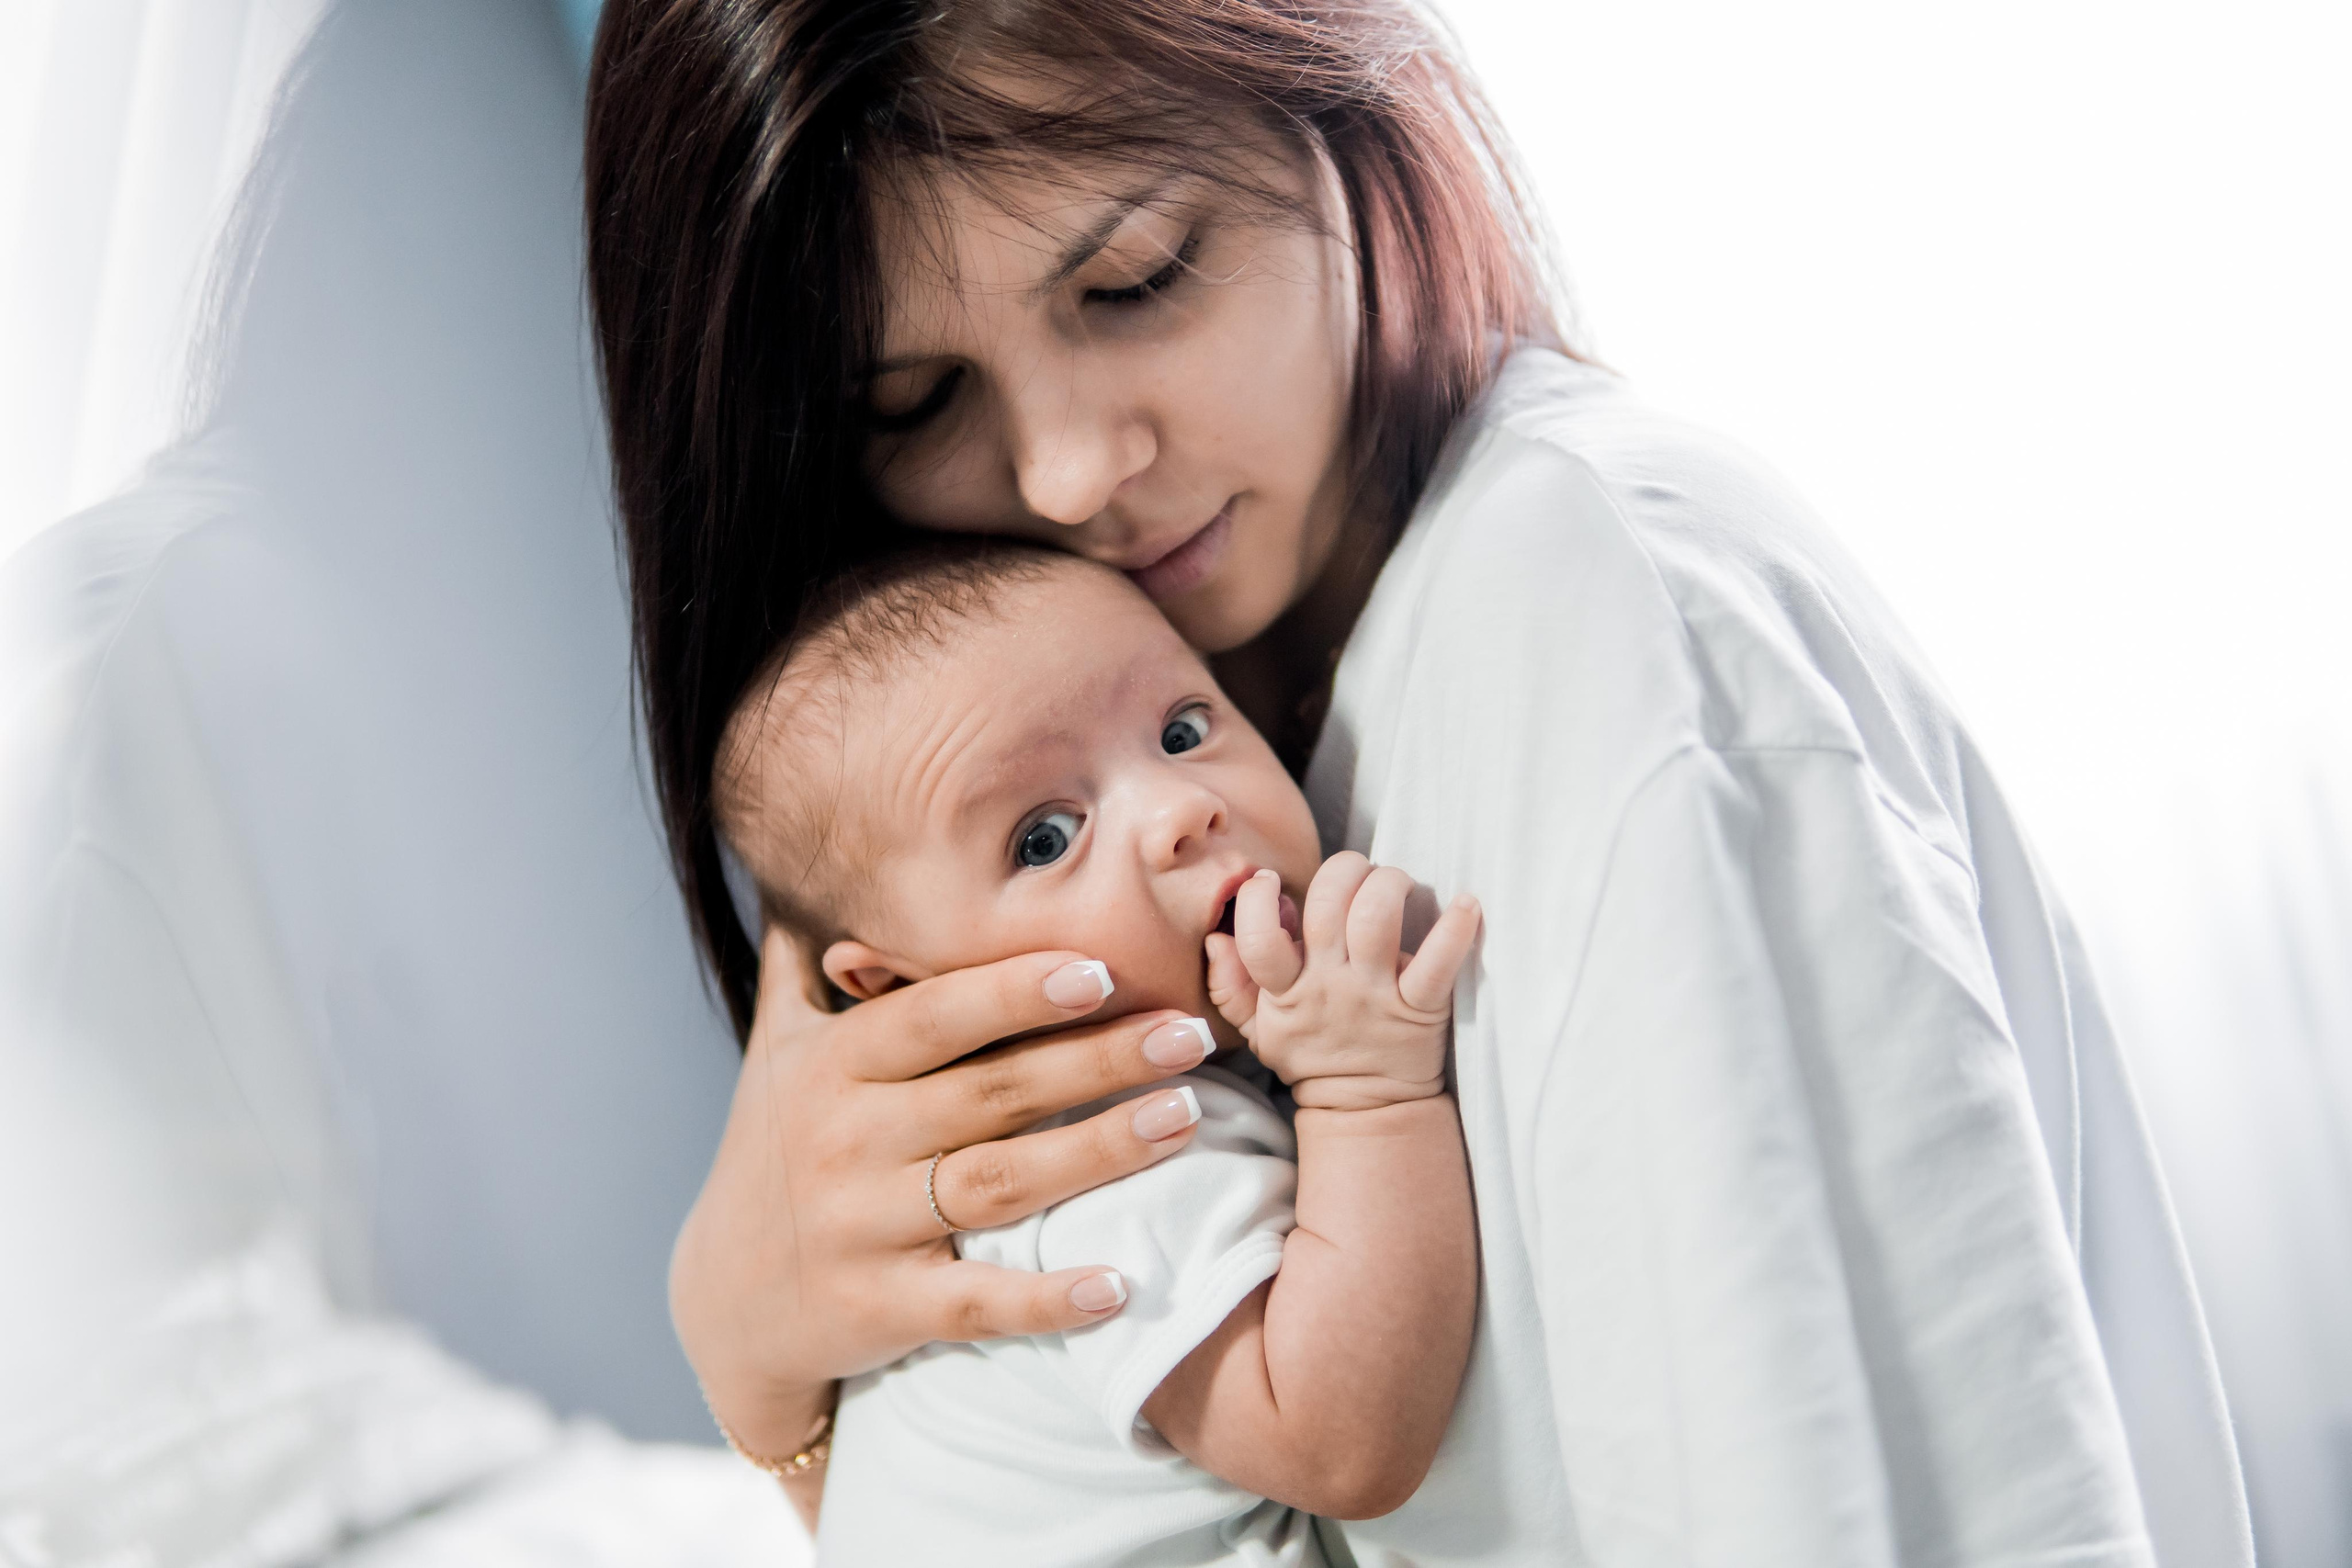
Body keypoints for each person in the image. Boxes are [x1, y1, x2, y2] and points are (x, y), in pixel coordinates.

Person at [583, 1, 2254, 1562]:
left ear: (1331, 109)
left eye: (1142, 275)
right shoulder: (1141, 796)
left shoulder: (1598, 629)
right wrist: (775, 1362)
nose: (1071, 470)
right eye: (917, 403)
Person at [710, 542, 1481, 1561]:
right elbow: (1339, 1444)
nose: (1180, 811)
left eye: (1182, 728)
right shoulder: (1095, 1167)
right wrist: (1364, 1093)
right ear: (900, 988)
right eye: (1045, 837)